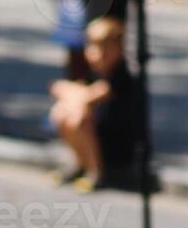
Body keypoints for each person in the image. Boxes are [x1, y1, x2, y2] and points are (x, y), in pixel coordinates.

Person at [48, 16, 138, 192]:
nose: (97, 54)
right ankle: (81, 164)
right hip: (98, 132)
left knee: (77, 116)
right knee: (63, 112)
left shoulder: (120, 74)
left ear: (118, 49)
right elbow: (60, 87)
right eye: (94, 47)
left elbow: (92, 95)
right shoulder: (95, 71)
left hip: (116, 140)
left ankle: (95, 171)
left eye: (104, 49)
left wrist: (72, 95)